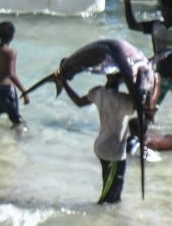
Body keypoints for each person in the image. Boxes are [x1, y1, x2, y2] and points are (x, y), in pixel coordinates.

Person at [58, 72, 136, 204]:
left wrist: (64, 83)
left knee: (114, 193)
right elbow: (145, 106)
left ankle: (109, 219)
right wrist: (152, 82)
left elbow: (78, 102)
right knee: (108, 198)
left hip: (103, 146)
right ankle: (96, 219)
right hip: (113, 153)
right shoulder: (123, 100)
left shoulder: (98, 92)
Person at [124, 0, 172, 125]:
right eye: (165, 9)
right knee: (149, 112)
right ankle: (148, 139)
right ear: (161, 10)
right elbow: (132, 25)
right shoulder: (154, 26)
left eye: (171, 9)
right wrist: (127, 2)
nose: (168, 13)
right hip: (160, 78)